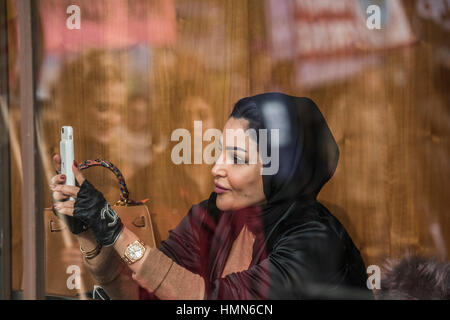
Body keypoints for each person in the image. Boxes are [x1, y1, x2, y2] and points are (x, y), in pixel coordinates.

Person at [49, 92, 372, 299]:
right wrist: (89, 232)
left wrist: (114, 229)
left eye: (238, 158)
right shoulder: (212, 215)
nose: (216, 168)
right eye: (220, 152)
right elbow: (143, 292)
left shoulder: (315, 240)